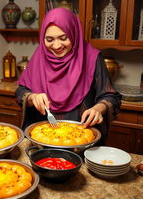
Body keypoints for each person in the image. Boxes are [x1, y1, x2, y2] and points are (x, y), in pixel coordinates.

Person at [16, 8, 121, 144]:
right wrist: (32, 97)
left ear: (73, 33)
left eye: (63, 38)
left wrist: (98, 109)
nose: (57, 45)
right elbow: (21, 92)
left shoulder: (92, 58)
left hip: (81, 139)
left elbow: (111, 96)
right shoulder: (39, 56)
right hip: (42, 139)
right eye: (49, 39)